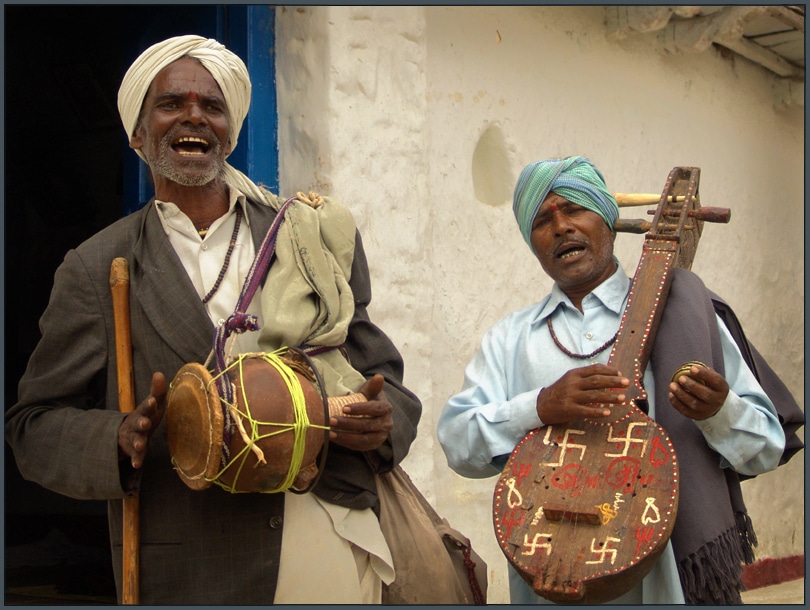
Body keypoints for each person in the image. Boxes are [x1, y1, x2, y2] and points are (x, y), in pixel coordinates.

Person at [5, 35, 421, 604]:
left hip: (324, 535)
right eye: (171, 104)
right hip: (193, 567)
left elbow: (389, 385)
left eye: (213, 105)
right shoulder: (98, 267)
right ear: (137, 134)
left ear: (231, 129)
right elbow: (33, 427)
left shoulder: (308, 234)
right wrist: (118, 435)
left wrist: (379, 423)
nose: (194, 116)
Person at [437, 156, 803, 604]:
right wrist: (538, 407)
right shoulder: (510, 339)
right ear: (532, 243)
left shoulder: (686, 313)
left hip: (676, 586)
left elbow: (767, 447)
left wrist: (718, 412)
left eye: (575, 209)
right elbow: (456, 442)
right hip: (553, 582)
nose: (562, 227)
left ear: (608, 220)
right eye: (542, 220)